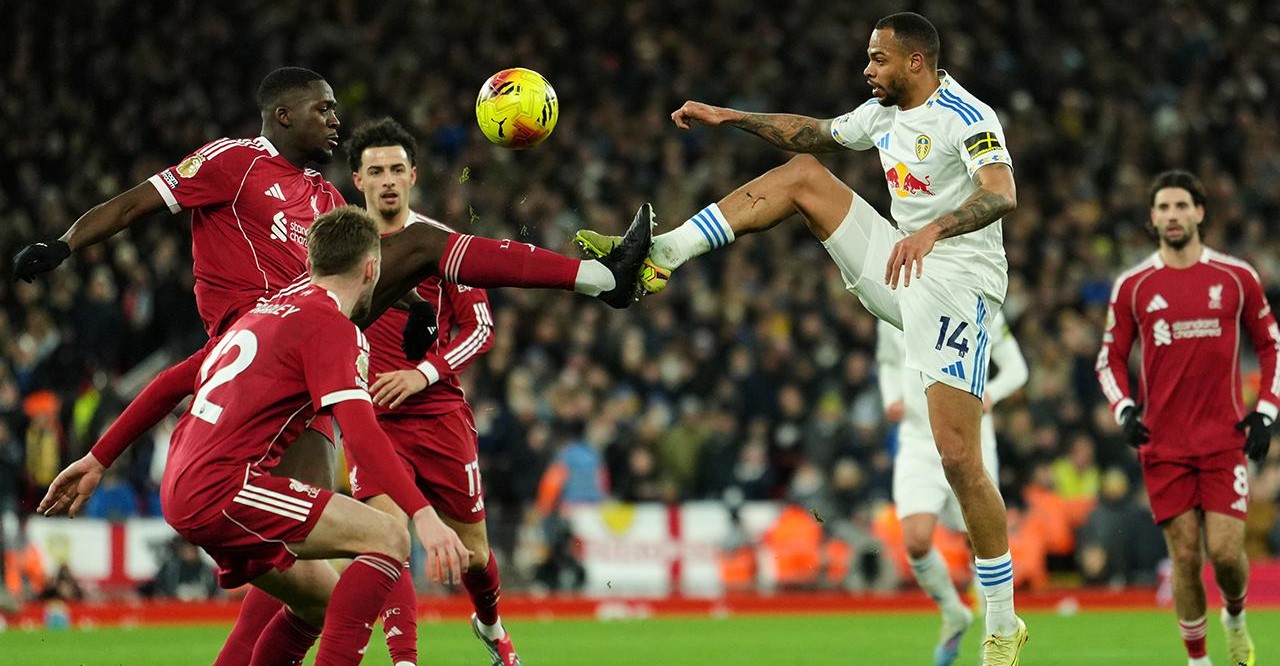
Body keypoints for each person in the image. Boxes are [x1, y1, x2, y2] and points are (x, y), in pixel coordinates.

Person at [19, 66, 651, 662]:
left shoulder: (325, 196)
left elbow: (351, 265)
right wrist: (65, 243)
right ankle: (602, 278)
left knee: (305, 582)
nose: (335, 121)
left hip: (295, 361)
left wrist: (411, 308)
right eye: (324, 109)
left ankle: (602, 278)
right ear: (283, 114)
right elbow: (133, 204)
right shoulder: (232, 163)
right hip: (265, 338)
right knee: (374, 531)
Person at [577, 12, 1026, 662]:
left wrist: (936, 229)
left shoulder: (969, 115)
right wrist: (730, 117)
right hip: (902, 263)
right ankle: (662, 254)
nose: (867, 70)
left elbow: (1002, 191)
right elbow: (810, 132)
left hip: (959, 284)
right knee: (803, 173)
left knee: (959, 457)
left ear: (917, 62)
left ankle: (1004, 621)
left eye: (878, 59)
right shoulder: (883, 115)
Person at [40, 207, 473, 665]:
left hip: (186, 479)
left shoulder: (261, 314)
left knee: (317, 601)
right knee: (389, 535)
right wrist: (424, 516)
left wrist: (97, 458)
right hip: (224, 487)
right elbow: (362, 433)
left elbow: (170, 383)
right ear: (372, 269)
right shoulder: (331, 325)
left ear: (310, 264)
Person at [346, 117, 521, 666]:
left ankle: (491, 627)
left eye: (397, 169)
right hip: (370, 419)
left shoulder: (442, 245)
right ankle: (405, 661)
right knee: (388, 539)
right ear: (358, 180)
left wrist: (421, 373)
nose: (388, 180)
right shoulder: (338, 247)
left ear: (414, 175)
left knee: (474, 555)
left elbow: (482, 329)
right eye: (376, 171)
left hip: (439, 412)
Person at [1096, 170, 1278, 666]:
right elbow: (1109, 356)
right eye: (1163, 208)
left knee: (1224, 553)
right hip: (1165, 445)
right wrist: (1125, 409)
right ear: (1152, 218)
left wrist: (1266, 411)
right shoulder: (1134, 286)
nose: (1172, 216)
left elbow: (1270, 344)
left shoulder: (1236, 277)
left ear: (1200, 212)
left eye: (1181, 206)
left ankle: (1235, 619)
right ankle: (1198, 661)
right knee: (1185, 557)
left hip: (1224, 440)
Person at [876, 311, 1027, 666]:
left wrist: (991, 393)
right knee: (915, 540)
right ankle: (953, 611)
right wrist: (890, 397)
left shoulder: (977, 300)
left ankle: (994, 642)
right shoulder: (894, 293)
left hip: (970, 436)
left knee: (978, 543)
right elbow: (887, 362)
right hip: (916, 437)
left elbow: (1017, 368)